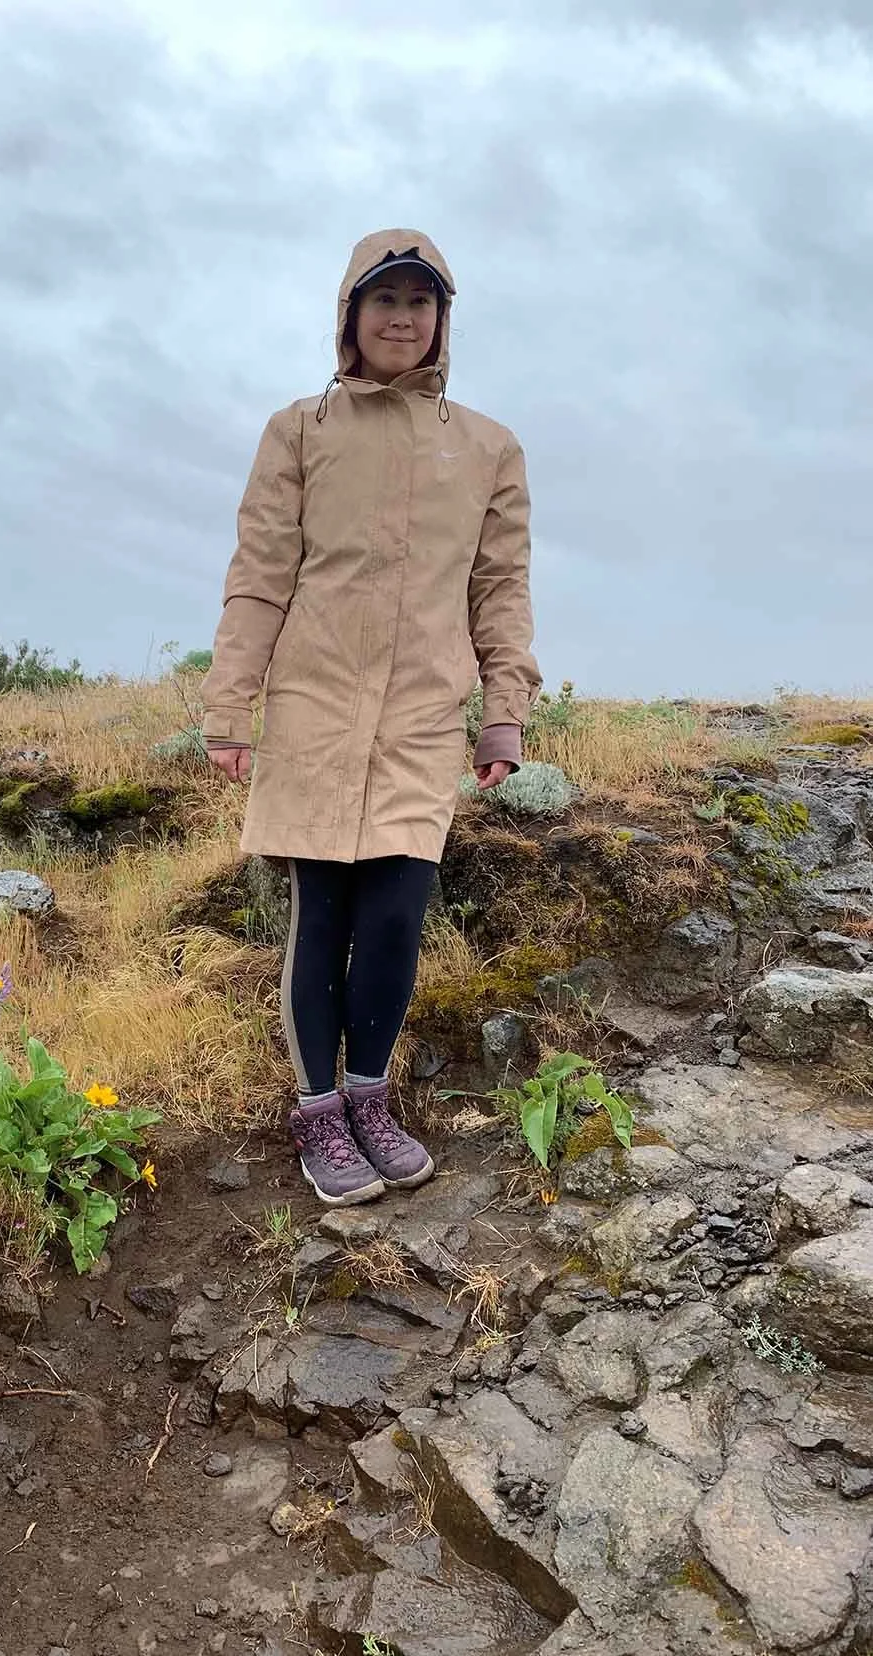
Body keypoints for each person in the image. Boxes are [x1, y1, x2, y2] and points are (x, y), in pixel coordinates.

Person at [200, 228, 541, 1206]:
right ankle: (319, 1114)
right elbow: (260, 575)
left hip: (422, 713)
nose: (402, 317)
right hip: (315, 703)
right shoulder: (300, 430)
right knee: (323, 915)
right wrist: (230, 706)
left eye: (420, 301)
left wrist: (504, 711)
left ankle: (369, 1098)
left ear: (442, 319)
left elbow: (499, 589)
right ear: (350, 314)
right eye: (383, 298)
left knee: (394, 917)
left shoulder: (489, 447)